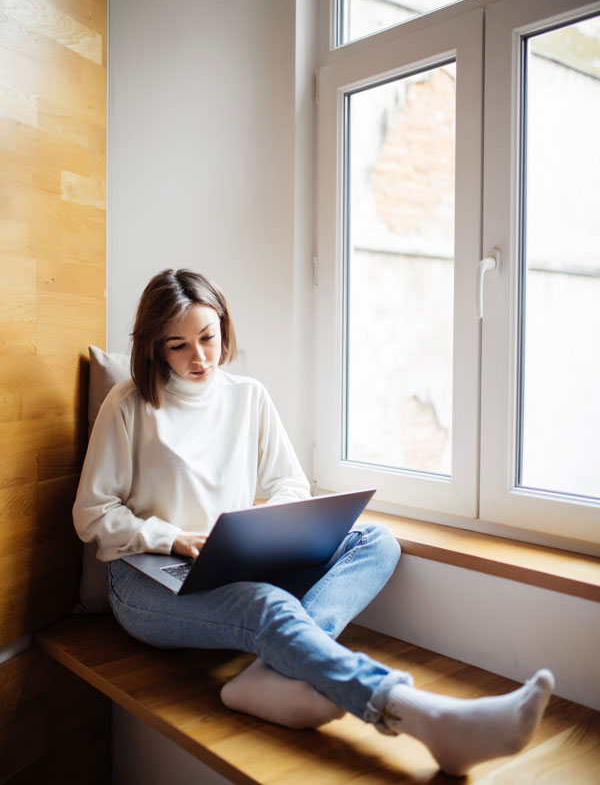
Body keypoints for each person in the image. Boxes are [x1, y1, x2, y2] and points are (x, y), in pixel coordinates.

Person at [73, 268, 554, 777]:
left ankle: (271, 672)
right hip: (146, 579)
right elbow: (93, 513)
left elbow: (289, 485)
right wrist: (169, 538)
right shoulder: (128, 406)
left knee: (375, 539)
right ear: (153, 348)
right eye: (178, 345)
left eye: (208, 338)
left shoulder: (248, 397)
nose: (200, 358)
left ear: (223, 327)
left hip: (232, 562)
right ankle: (421, 715)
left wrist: (259, 530)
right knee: (267, 604)